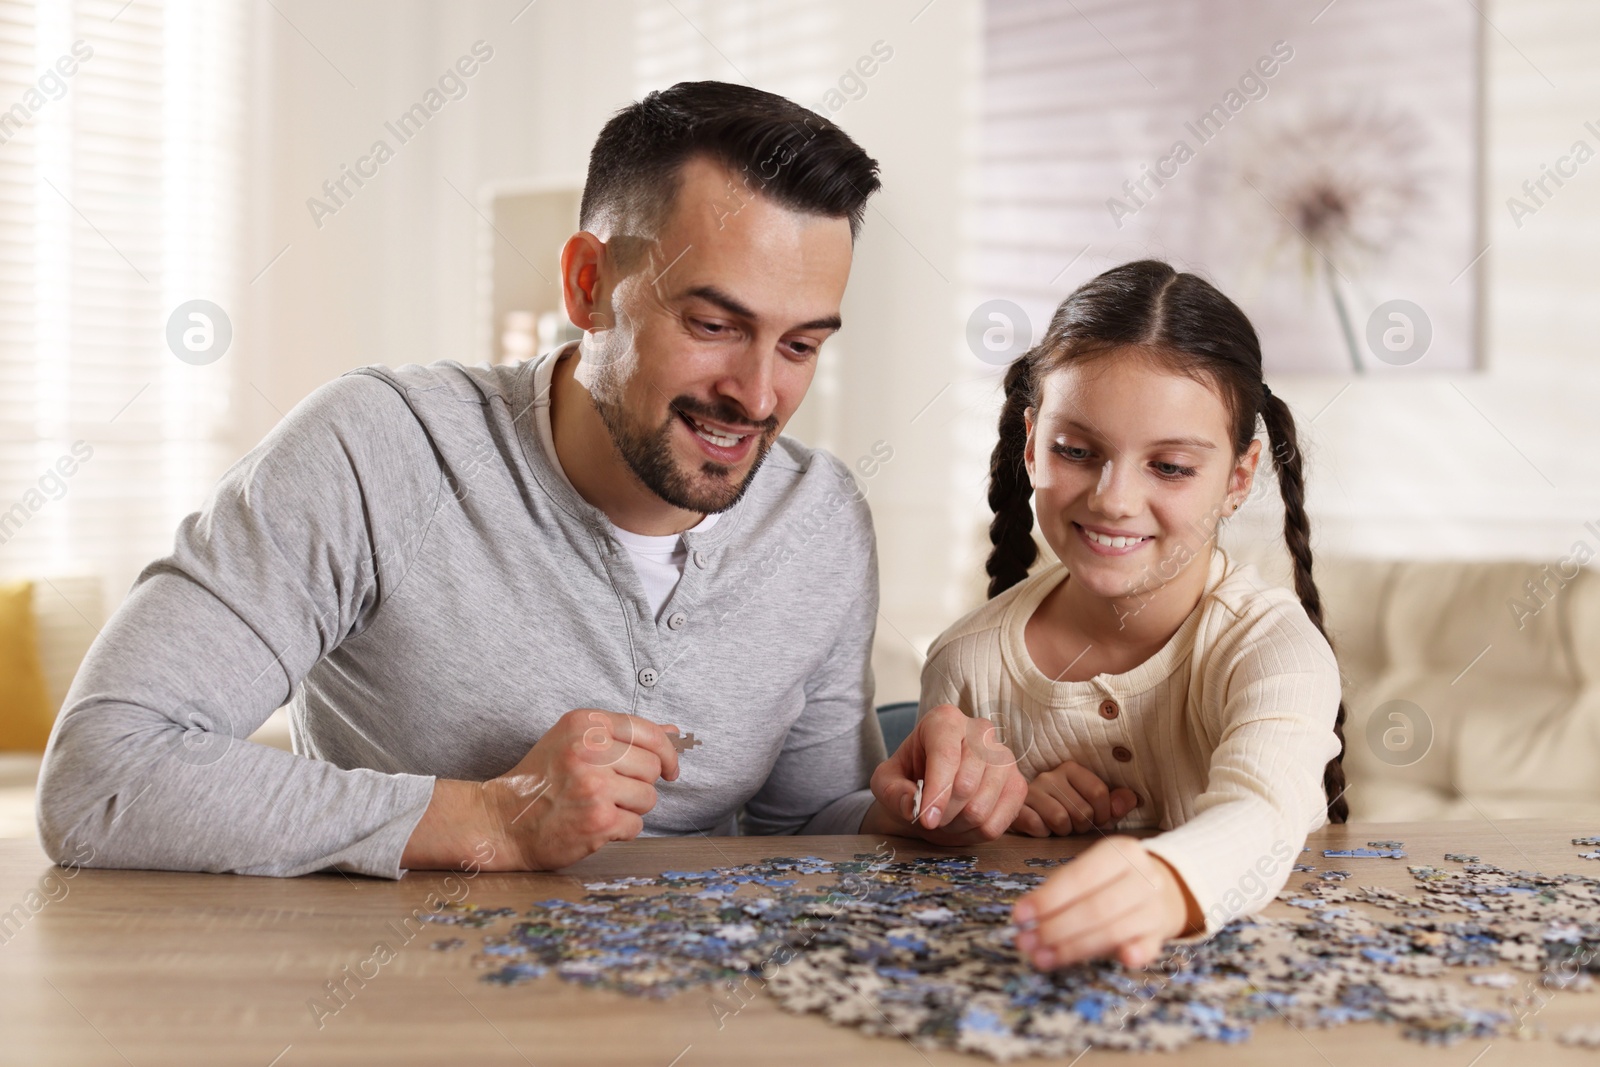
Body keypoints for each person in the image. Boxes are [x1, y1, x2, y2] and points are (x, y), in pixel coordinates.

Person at [36, 81, 1022, 877]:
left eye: (801, 344)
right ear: (588, 284)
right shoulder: (376, 448)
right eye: (714, 325)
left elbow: (797, 820)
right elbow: (102, 774)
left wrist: (909, 812)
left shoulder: (821, 518)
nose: (758, 395)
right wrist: (492, 819)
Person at [915, 260, 1347, 970]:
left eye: (1171, 466)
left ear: (1239, 478)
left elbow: (1262, 816)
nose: (1114, 499)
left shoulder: (1272, 647)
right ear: (1031, 444)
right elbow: (948, 878)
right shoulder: (965, 663)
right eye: (1077, 452)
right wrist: (999, 814)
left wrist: (1159, 880)